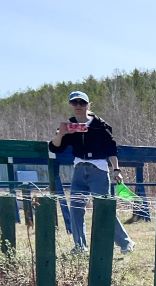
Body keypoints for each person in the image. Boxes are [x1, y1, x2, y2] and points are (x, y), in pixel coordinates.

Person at [48, 91, 135, 254]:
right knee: (75, 208)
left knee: (104, 208)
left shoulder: (99, 125)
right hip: (79, 171)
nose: (79, 106)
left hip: (99, 171)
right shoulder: (70, 125)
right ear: (71, 105)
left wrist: (116, 169)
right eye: (75, 103)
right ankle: (80, 247)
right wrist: (61, 133)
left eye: (82, 103)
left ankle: (125, 242)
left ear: (88, 105)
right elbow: (55, 147)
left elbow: (111, 148)